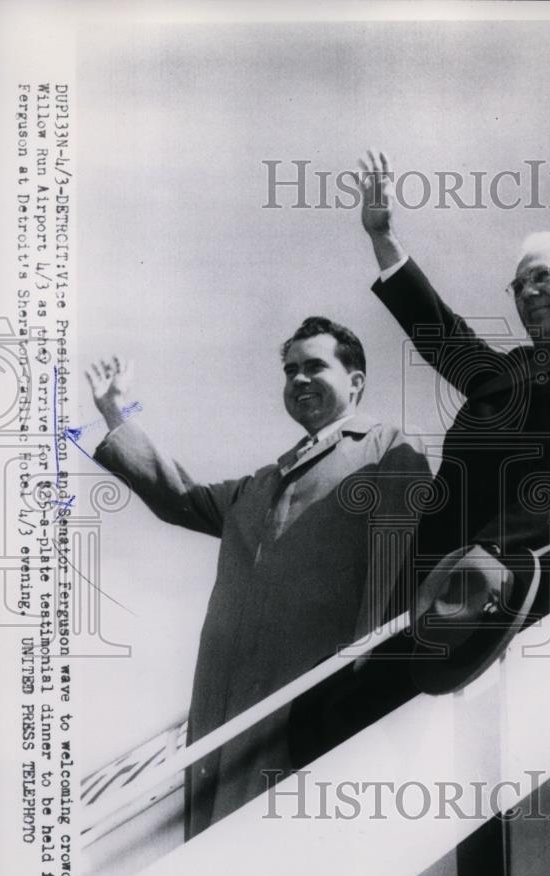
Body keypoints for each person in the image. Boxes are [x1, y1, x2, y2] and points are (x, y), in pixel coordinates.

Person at [86, 316, 430, 839]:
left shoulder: (385, 450)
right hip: (227, 710)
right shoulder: (262, 483)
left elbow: (395, 566)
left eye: (316, 366)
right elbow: (183, 497)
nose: (299, 379)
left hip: (313, 702)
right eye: (290, 369)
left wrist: (361, 679)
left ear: (356, 381)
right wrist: (116, 410)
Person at [357, 150, 550, 637]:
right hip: (433, 596)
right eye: (517, 284)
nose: (526, 292)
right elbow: (443, 334)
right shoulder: (509, 372)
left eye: (542, 276)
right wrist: (382, 237)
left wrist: (484, 553)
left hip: (533, 591)